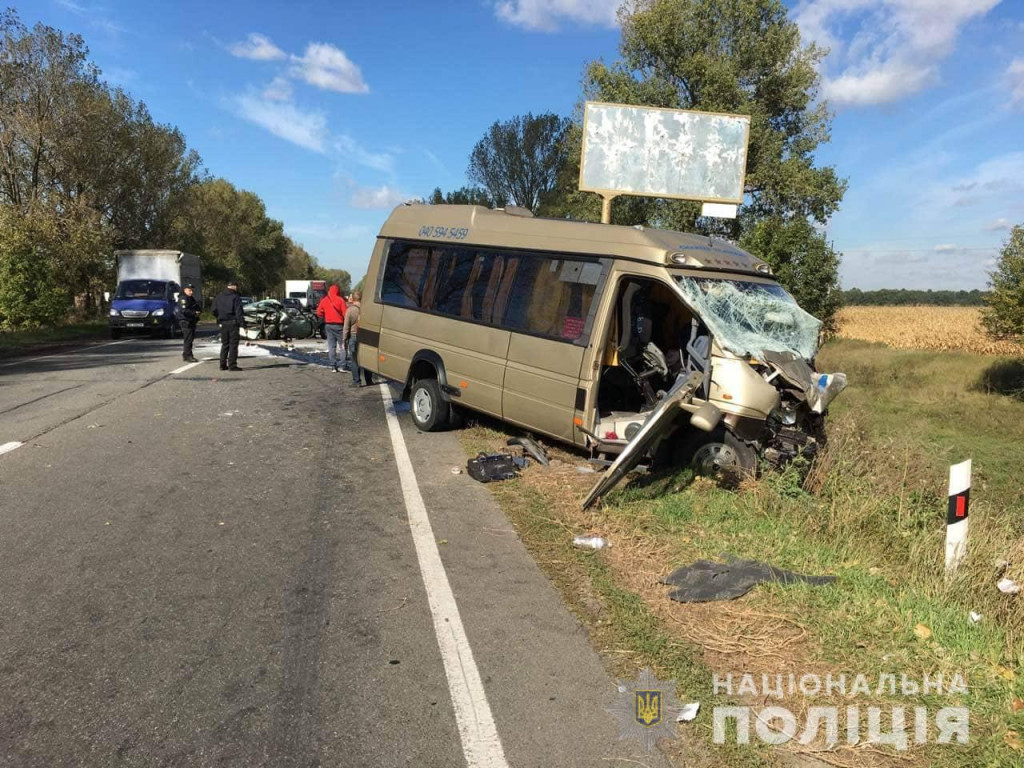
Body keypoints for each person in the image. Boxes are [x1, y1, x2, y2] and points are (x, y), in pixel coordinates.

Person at [342, 291, 374, 387]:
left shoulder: (350, 310)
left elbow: (346, 327)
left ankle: (357, 382)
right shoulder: (368, 309)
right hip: (366, 337)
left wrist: (344, 339)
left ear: (353, 299)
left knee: (355, 360)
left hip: (354, 336)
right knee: (367, 359)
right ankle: (369, 380)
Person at [212, 280, 245, 371]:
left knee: (225, 344)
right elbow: (239, 312)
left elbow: (213, 310)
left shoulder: (219, 296)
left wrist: (219, 317)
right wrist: (242, 324)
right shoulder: (235, 296)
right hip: (233, 323)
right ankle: (232, 365)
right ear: (234, 286)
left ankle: (222, 364)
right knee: (233, 345)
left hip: (223, 323)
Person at [315, 284, 348, 372]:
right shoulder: (340, 300)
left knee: (331, 346)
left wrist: (325, 315)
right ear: (338, 291)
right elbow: (346, 314)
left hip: (328, 325)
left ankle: (333, 365)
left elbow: (318, 312)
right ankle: (342, 365)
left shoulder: (325, 300)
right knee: (342, 346)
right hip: (339, 325)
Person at [177, 284, 201, 362]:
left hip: (191, 320)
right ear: (184, 290)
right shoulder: (183, 298)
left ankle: (186, 354)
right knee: (188, 339)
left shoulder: (190, 298)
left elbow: (196, 306)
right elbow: (184, 310)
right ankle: (188, 355)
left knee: (190, 339)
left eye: (192, 290)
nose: (191, 292)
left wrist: (198, 311)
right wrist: (194, 313)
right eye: (189, 290)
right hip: (185, 321)